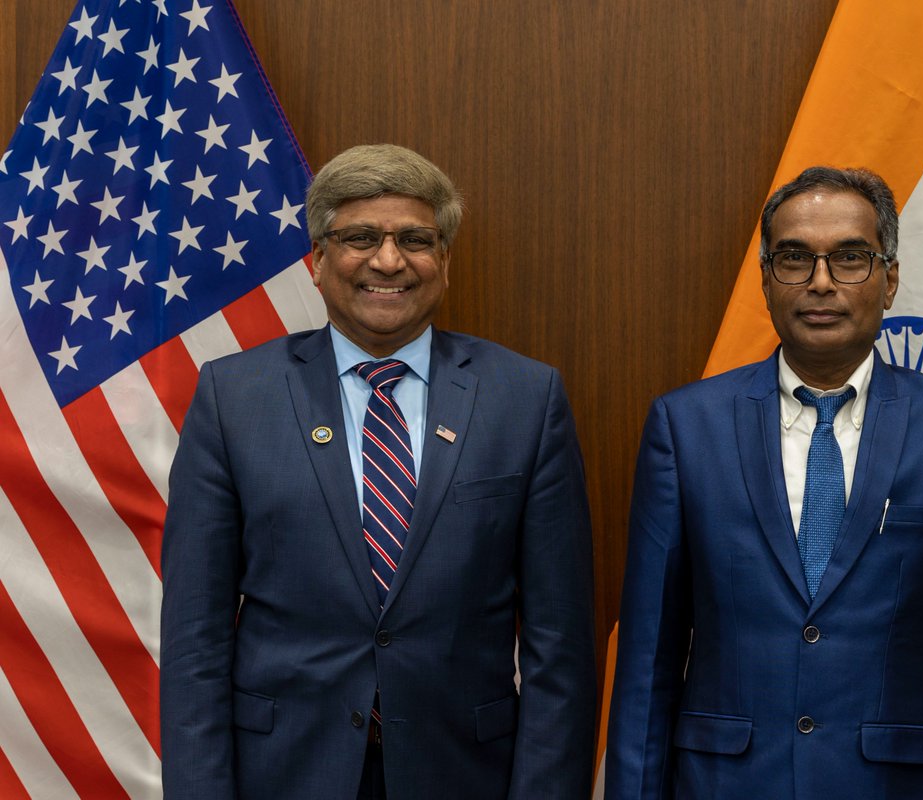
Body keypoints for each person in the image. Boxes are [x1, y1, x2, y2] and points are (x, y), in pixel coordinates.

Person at [160, 144, 596, 799]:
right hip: (283, 774)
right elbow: (195, 638)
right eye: (360, 236)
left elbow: (559, 647)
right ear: (317, 259)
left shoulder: (526, 399)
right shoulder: (233, 397)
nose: (388, 260)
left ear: (444, 260)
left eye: (415, 239)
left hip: (464, 773)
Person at [606, 167, 923, 798]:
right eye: (796, 258)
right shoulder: (685, 427)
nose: (822, 282)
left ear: (890, 279)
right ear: (766, 280)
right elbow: (648, 657)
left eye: (851, 257)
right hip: (724, 782)